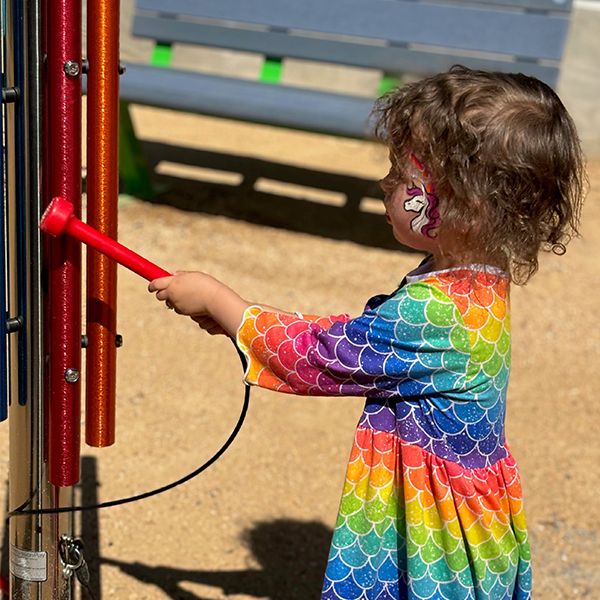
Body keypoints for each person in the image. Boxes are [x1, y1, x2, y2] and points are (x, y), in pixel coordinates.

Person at [148, 66, 585, 599]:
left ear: (465, 206)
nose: (385, 184)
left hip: (438, 537)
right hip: (460, 510)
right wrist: (240, 324)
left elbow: (321, 357)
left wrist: (222, 301)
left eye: (403, 176)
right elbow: (362, 339)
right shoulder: (474, 278)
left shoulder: (436, 312)